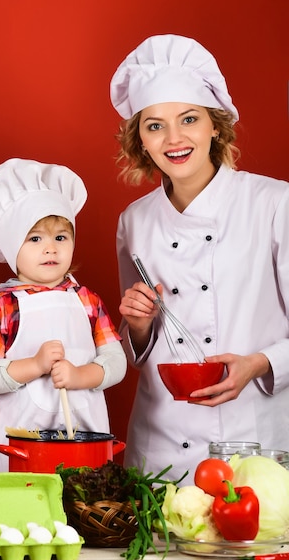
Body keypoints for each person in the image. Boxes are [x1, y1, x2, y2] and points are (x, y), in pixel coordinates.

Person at [111, 34, 289, 484]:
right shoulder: (135, 221)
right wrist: (137, 323)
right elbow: (140, 344)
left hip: (255, 444)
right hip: (161, 450)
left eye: (188, 119)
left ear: (215, 125)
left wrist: (260, 363)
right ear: (141, 141)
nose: (174, 138)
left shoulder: (274, 204)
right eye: (154, 126)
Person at [0, 159, 127, 471]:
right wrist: (35, 365)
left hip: (86, 442)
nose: (50, 249)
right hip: (24, 448)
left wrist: (81, 376)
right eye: (35, 238)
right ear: (13, 246)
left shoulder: (88, 301)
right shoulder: (1, 306)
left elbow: (116, 362)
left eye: (61, 237)